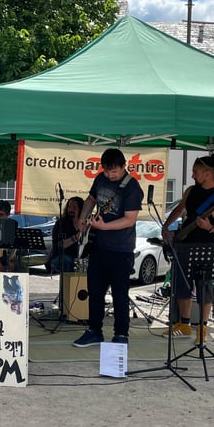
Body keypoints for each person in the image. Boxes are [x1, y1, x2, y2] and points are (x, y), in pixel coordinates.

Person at [72, 149, 142, 347]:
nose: (110, 175)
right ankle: (94, 330)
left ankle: (121, 334)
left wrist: (104, 226)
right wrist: (83, 218)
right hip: (98, 245)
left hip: (121, 248)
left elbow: (130, 220)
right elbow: (91, 199)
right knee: (95, 291)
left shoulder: (132, 187)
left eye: (114, 172)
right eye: (107, 171)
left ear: (123, 166)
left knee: (120, 293)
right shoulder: (100, 179)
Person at [161, 155, 214, 344]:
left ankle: (202, 329)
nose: (192, 176)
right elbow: (179, 209)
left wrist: (209, 227)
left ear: (208, 174)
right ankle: (184, 324)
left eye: (195, 172)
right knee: (181, 286)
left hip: (207, 248)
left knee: (204, 287)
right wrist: (166, 226)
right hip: (184, 245)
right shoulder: (191, 190)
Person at [48, 196, 84, 273]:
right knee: (66, 260)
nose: (71, 209)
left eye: (74, 207)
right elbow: (60, 245)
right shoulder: (61, 223)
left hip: (79, 257)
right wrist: (76, 237)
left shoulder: (85, 224)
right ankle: (67, 284)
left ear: (81, 209)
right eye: (69, 207)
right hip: (61, 257)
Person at [0, 200, 17, 271]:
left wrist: (11, 261)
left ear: (8, 214)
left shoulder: (11, 225)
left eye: (1, 215)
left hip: (6, 256)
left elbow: (14, 246)